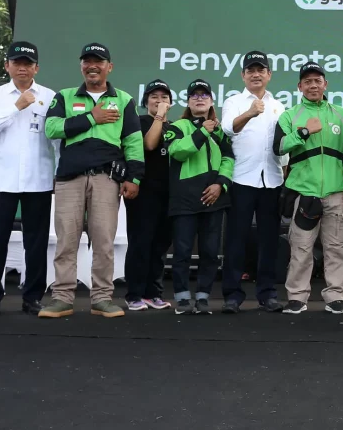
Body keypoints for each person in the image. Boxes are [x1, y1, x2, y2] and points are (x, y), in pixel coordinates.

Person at [41, 43, 144, 319]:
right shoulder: (64, 96)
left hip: (106, 179)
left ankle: (102, 299)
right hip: (69, 179)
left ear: (109, 67)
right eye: (87, 61)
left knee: (104, 242)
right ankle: (62, 298)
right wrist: (91, 117)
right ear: (81, 66)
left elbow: (133, 141)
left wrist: (134, 177)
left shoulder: (123, 99)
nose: (92, 66)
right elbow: (51, 128)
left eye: (98, 61)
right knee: (66, 241)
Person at [0, 41, 58, 316]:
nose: (22, 68)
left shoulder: (50, 96)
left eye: (27, 64)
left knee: (36, 242)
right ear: (7, 66)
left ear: (36, 68)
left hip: (38, 179)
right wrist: (16, 107)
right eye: (17, 63)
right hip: (1, 180)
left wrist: (59, 172)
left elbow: (56, 139)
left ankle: (32, 297)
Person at [273, 62, 343, 315]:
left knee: (338, 248)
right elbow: (279, 147)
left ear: (325, 85)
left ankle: (336, 297)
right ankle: (297, 297)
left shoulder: (342, 114)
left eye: (317, 81)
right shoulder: (289, 115)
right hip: (304, 192)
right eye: (307, 81)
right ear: (299, 86)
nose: (313, 85)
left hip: (336, 192)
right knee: (301, 248)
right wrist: (303, 132)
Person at [219, 51, 287, 313]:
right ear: (243, 75)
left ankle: (267, 293)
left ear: (269, 74)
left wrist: (286, 174)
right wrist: (249, 113)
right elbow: (228, 128)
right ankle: (232, 295)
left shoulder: (279, 106)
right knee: (236, 240)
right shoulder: (234, 101)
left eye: (261, 70)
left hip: (272, 180)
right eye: (251, 70)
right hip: (241, 179)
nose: (256, 74)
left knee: (269, 241)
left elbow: (283, 147)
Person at [166, 79, 234, 315]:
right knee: (182, 251)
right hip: (184, 200)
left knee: (210, 252)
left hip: (214, 199)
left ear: (212, 101)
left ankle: (203, 297)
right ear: (188, 102)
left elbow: (229, 158)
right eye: (194, 95)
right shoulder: (177, 126)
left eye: (204, 95)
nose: (199, 98)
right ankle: (182, 298)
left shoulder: (220, 131)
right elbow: (177, 151)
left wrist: (220, 184)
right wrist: (203, 130)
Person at [124, 79, 175, 312]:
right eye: (154, 97)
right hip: (143, 192)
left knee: (160, 245)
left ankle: (153, 293)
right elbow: (149, 145)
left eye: (164, 97)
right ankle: (134, 293)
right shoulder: (140, 122)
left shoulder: (174, 127)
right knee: (140, 242)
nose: (159, 101)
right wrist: (159, 117)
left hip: (168, 193)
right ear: (146, 102)